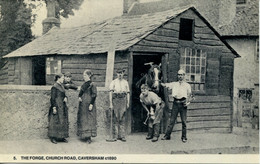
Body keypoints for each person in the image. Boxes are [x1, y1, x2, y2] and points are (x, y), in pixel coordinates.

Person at [161, 69, 192, 143]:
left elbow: (190, 95)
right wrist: (158, 81)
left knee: (184, 121)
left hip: (183, 104)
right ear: (177, 76)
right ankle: (167, 136)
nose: (180, 76)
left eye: (181, 75)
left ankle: (184, 137)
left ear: (184, 76)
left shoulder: (187, 85)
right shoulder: (174, 84)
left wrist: (187, 103)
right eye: (179, 75)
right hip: (175, 103)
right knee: (171, 121)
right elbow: (165, 85)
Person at [109, 69, 130, 142]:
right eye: (118, 73)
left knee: (122, 118)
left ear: (123, 73)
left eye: (121, 73)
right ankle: (115, 136)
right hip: (116, 100)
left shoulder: (125, 82)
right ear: (116, 74)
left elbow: (127, 93)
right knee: (115, 118)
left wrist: (128, 102)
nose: (120, 74)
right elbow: (111, 93)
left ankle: (122, 136)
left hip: (123, 99)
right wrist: (111, 103)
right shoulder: (113, 82)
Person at [48, 73, 69, 144]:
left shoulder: (61, 86)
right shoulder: (54, 87)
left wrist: (65, 97)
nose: (63, 79)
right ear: (58, 79)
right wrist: (54, 107)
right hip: (57, 105)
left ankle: (61, 137)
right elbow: (52, 98)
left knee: (62, 121)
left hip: (62, 106)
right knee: (55, 121)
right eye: (62, 78)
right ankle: (53, 137)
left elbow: (64, 94)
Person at [77, 69, 97, 144]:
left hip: (89, 104)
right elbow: (80, 92)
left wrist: (91, 104)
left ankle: (89, 137)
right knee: (84, 119)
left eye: (85, 75)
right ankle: (84, 135)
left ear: (89, 76)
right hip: (83, 105)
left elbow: (94, 95)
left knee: (89, 120)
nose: (83, 77)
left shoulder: (92, 84)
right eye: (83, 75)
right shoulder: (84, 84)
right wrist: (79, 97)